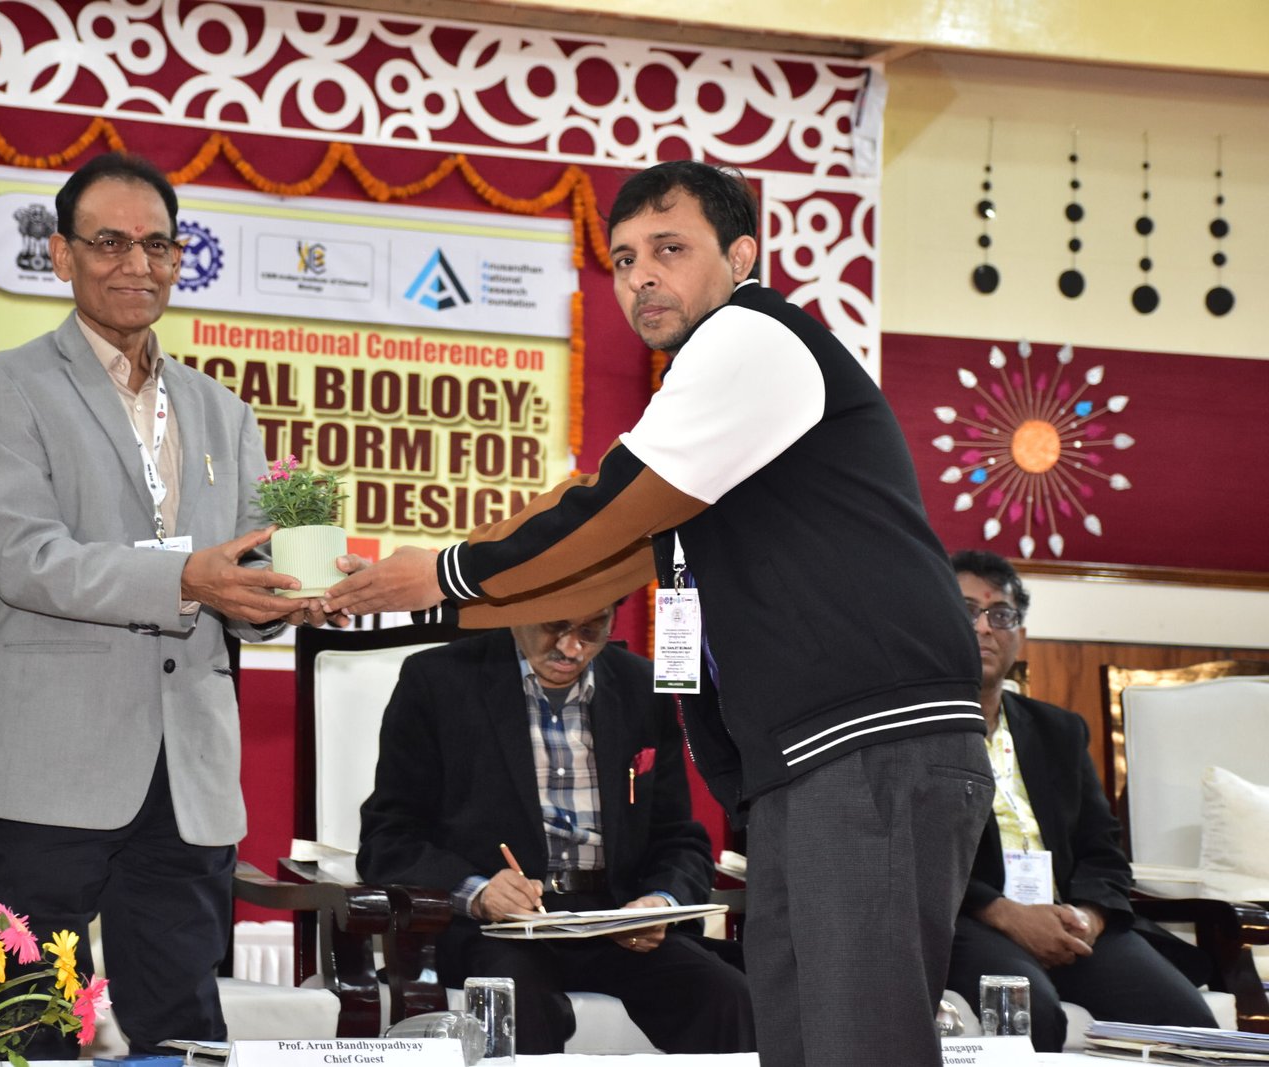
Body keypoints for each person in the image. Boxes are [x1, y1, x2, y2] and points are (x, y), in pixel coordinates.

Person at [326, 159, 994, 1066]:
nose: (641, 276)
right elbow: (603, 550)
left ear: (741, 257)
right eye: (625, 258)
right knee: (802, 1040)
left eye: (669, 249)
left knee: (859, 1041)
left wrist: (445, 574)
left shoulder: (751, 338)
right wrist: (437, 589)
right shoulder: (713, 384)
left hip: (867, 743)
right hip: (809, 760)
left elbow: (610, 508)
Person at [0, 152, 328, 1054]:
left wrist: (289, 595)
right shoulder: (6, 387)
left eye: (158, 244)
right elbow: (26, 560)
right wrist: (188, 579)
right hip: (52, 764)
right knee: (32, 1028)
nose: (137, 263)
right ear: (62, 256)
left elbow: (242, 566)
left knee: (183, 1031)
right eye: (109, 242)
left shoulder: (223, 410)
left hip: (188, 770)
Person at [358, 600, 754, 1054]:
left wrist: (658, 904)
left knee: (726, 996)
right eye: (555, 626)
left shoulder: (641, 686)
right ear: (517, 607)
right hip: (497, 931)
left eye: (592, 628)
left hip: (612, 921)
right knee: (518, 1000)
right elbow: (387, 839)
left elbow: (678, 838)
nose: (571, 648)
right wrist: (479, 892)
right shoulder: (438, 679)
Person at [947, 550, 1217, 1051]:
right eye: (966, 611)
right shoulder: (917, 731)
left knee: (1188, 1024)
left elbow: (1103, 850)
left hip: (1070, 924)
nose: (984, 627)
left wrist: (1089, 918)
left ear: (1021, 635)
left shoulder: (1059, 730)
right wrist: (1006, 914)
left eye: (1001, 615)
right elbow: (919, 852)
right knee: (1029, 1010)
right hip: (973, 920)